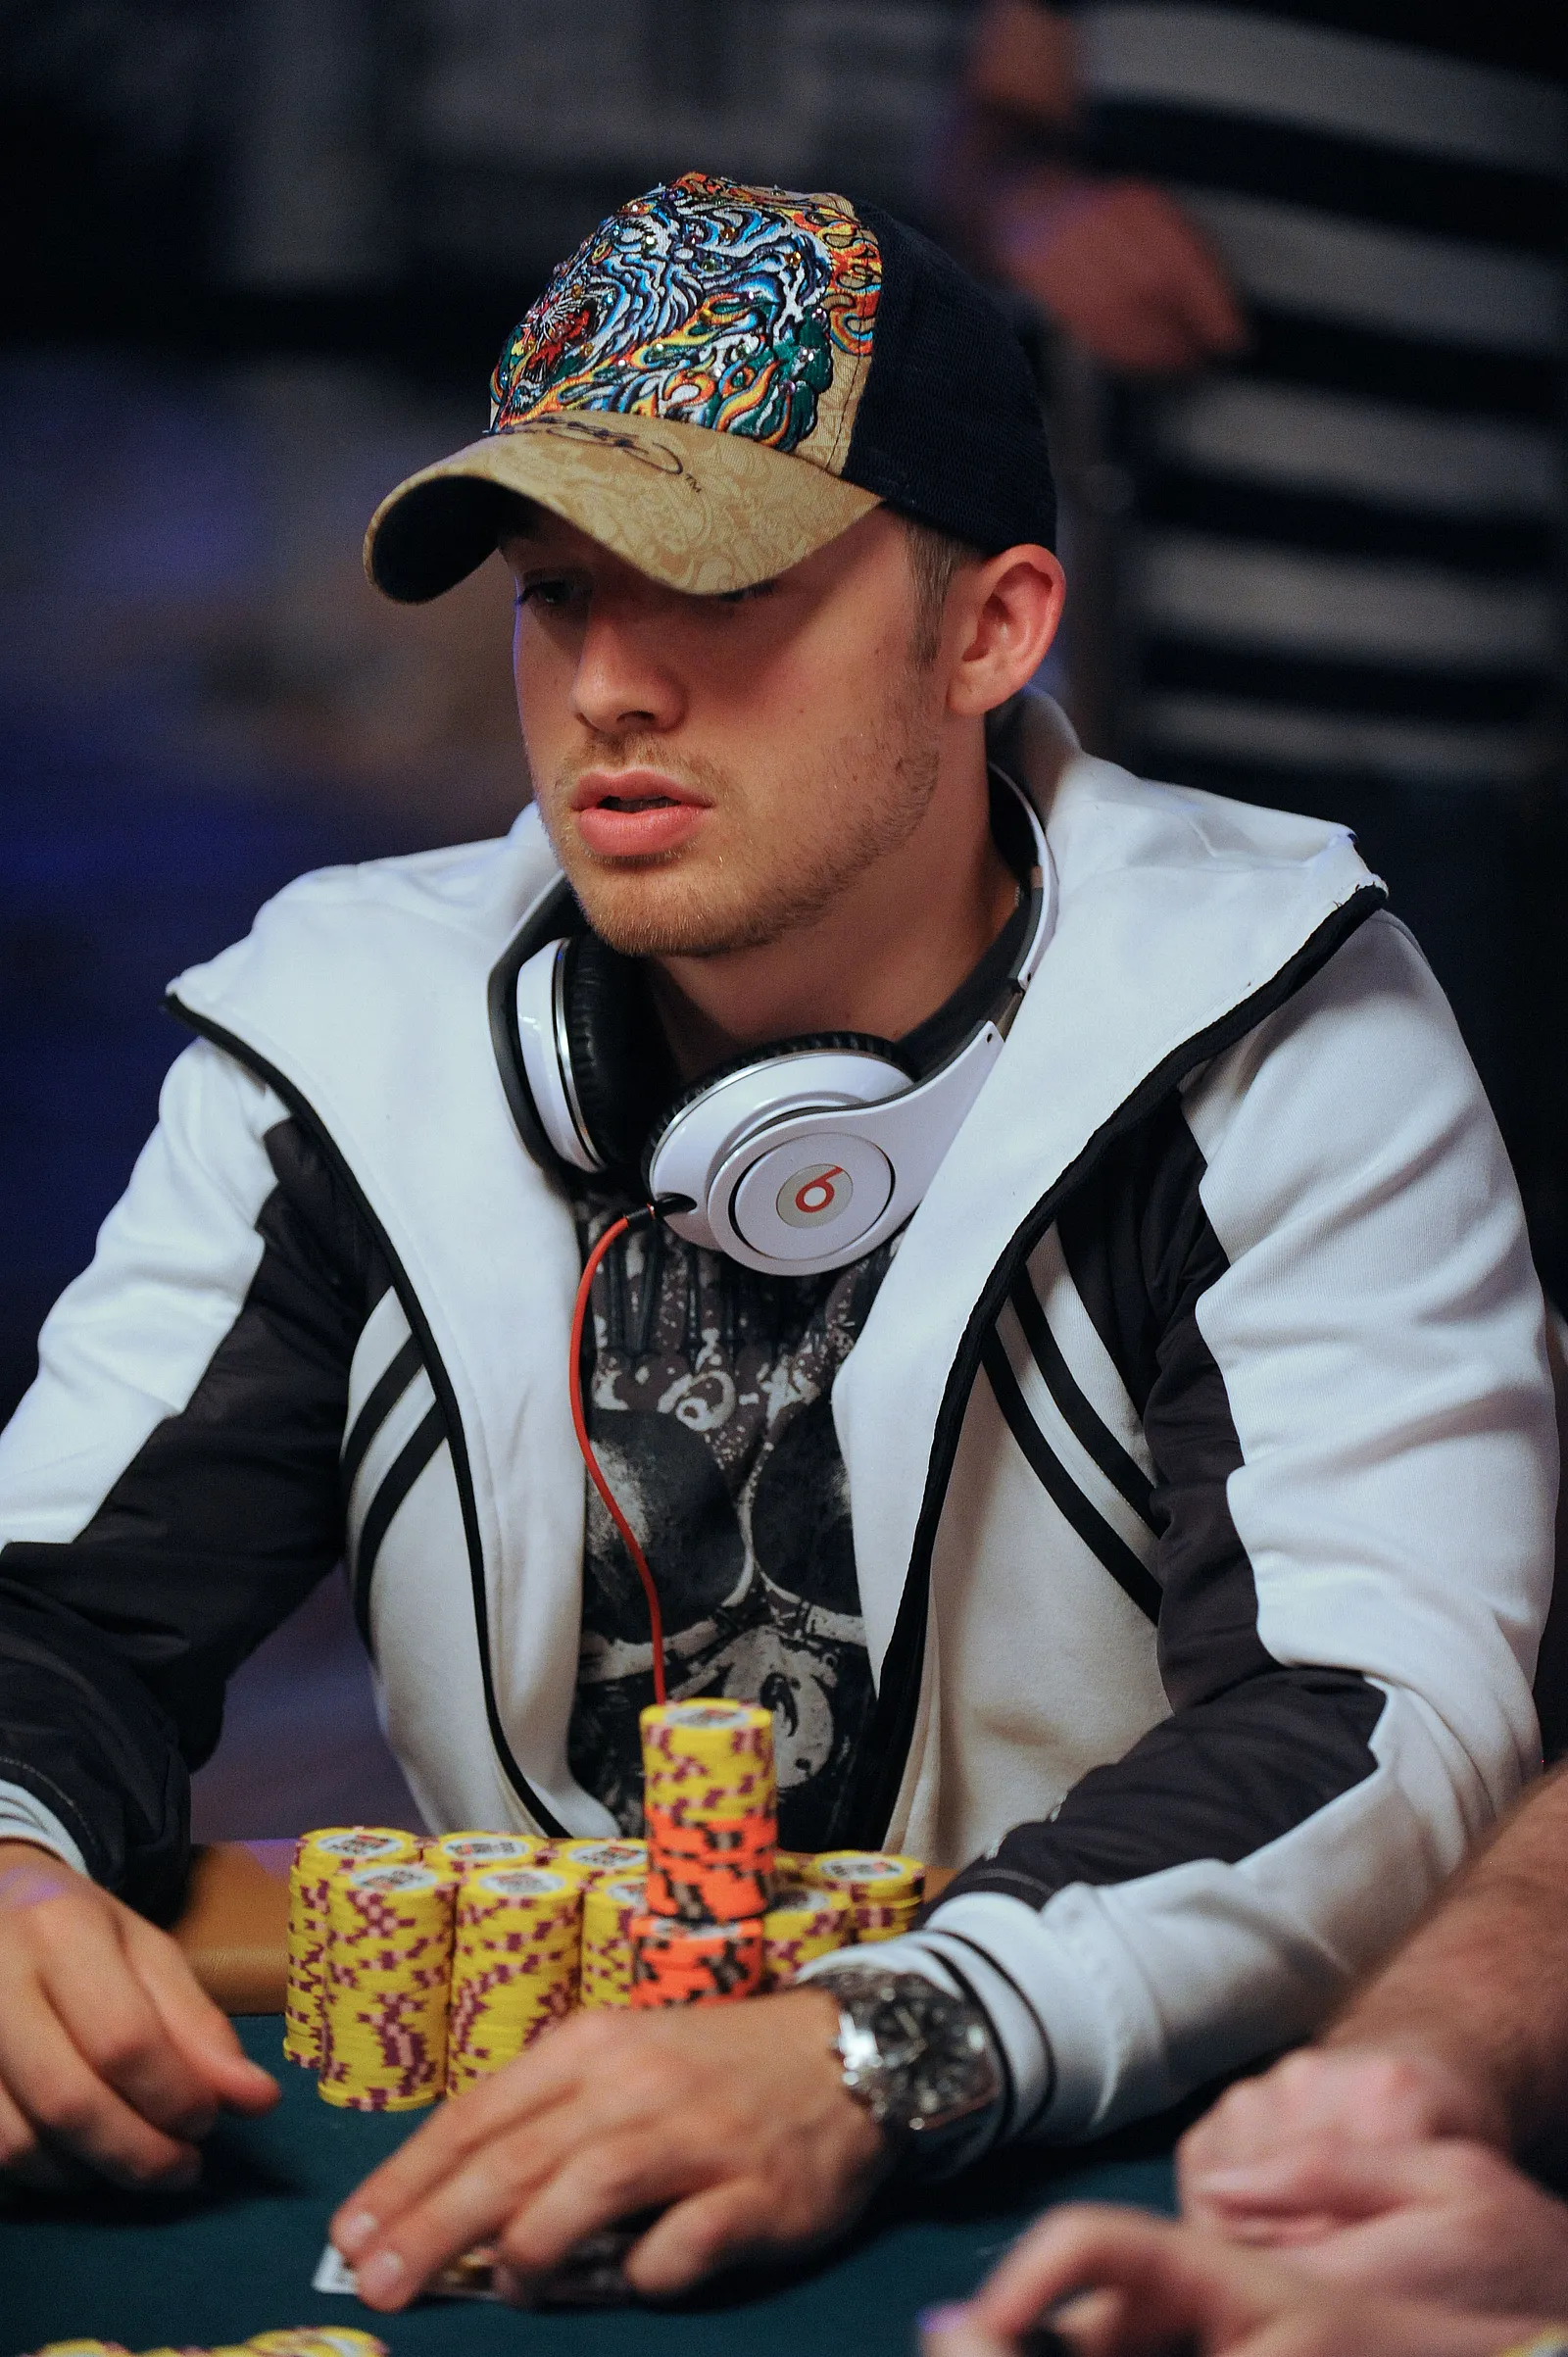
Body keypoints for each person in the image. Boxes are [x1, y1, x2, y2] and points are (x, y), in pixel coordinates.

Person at [0, 172, 1554, 2306]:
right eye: (559, 591)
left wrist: (872, 2044)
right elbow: (58, 1616)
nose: (608, 688)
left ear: (991, 629)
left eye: (716, 587)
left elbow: (1364, 1721)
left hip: (1128, 2197)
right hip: (540, 2204)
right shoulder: (338, 1030)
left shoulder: (1274, 1014)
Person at [942, 0, 1565, 1168]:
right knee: (1077, 1213)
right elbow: (986, 132)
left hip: (1472, 766)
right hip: (1107, 749)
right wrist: (1037, 206)